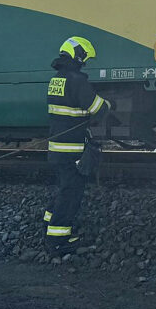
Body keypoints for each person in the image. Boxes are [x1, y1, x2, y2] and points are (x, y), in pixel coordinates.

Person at [43, 36, 112, 255]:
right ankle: (58, 241)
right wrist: (109, 103)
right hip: (71, 149)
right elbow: (98, 108)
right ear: (79, 55)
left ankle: (48, 224)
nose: (85, 63)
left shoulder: (57, 79)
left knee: (63, 189)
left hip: (57, 148)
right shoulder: (77, 80)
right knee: (71, 194)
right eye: (85, 58)